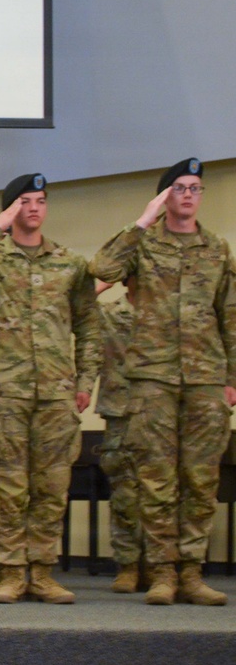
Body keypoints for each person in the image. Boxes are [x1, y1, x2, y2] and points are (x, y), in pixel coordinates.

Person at [90, 158, 236, 606]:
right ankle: (162, 574)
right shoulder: (143, 246)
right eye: (178, 188)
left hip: (206, 378)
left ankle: (192, 573)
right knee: (155, 479)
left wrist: (232, 376)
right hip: (151, 377)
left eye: (195, 188)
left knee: (200, 479)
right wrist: (142, 221)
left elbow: (229, 315)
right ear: (163, 196)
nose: (188, 195)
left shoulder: (217, 249)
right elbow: (102, 268)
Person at [0, 173, 100, 605]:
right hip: (5, 388)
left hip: (56, 390)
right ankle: (12, 571)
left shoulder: (70, 264)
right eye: (24, 202)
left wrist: (85, 381)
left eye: (39, 201)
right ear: (9, 209)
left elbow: (88, 327)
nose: (33, 208)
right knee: (8, 485)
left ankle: (42, 572)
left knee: (52, 486)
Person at [94, 277, 143, 592]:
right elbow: (65, 308)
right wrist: (100, 284)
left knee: (166, 492)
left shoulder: (175, 314)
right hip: (121, 409)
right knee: (125, 492)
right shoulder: (110, 313)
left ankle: (163, 566)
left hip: (166, 410)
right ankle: (128, 565)